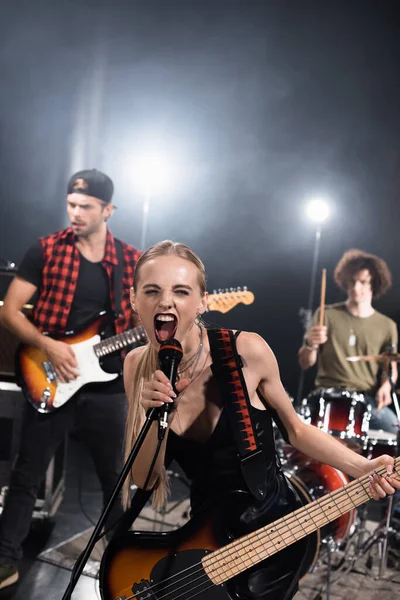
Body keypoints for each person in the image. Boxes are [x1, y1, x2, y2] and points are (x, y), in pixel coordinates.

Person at [122, 240, 400, 600]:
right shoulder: (135, 365)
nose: (166, 302)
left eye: (181, 291)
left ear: (202, 301)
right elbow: (143, 478)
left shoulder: (246, 350)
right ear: (134, 300)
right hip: (206, 532)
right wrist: (153, 416)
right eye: (152, 291)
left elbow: (296, 430)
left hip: (274, 528)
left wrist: (363, 467)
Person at [0, 169, 141, 590]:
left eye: (84, 207)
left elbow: (141, 322)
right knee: (26, 476)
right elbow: (9, 310)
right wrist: (52, 346)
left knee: (115, 481)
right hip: (47, 375)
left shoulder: (131, 261)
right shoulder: (45, 250)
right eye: (71, 205)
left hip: (106, 388)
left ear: (107, 210)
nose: (75, 213)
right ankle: (5, 562)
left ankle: (126, 566)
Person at [298, 248, 399, 434]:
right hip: (326, 396)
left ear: (374, 284)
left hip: (365, 400)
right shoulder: (325, 314)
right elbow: (305, 363)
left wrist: (386, 385)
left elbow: (390, 370)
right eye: (352, 282)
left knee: (395, 430)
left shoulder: (387, 326)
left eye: (363, 282)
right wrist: (310, 343)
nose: (356, 287)